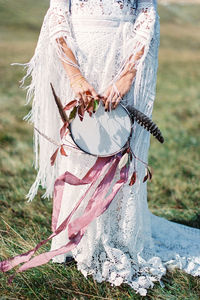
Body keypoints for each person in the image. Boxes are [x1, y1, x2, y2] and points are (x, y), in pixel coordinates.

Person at [1, 0, 200, 296]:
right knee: (83, 147)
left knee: (119, 149)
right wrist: (76, 76)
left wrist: (127, 75)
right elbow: (59, 13)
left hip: (121, 56)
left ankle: (118, 236)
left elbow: (147, 12)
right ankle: (75, 239)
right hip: (81, 59)